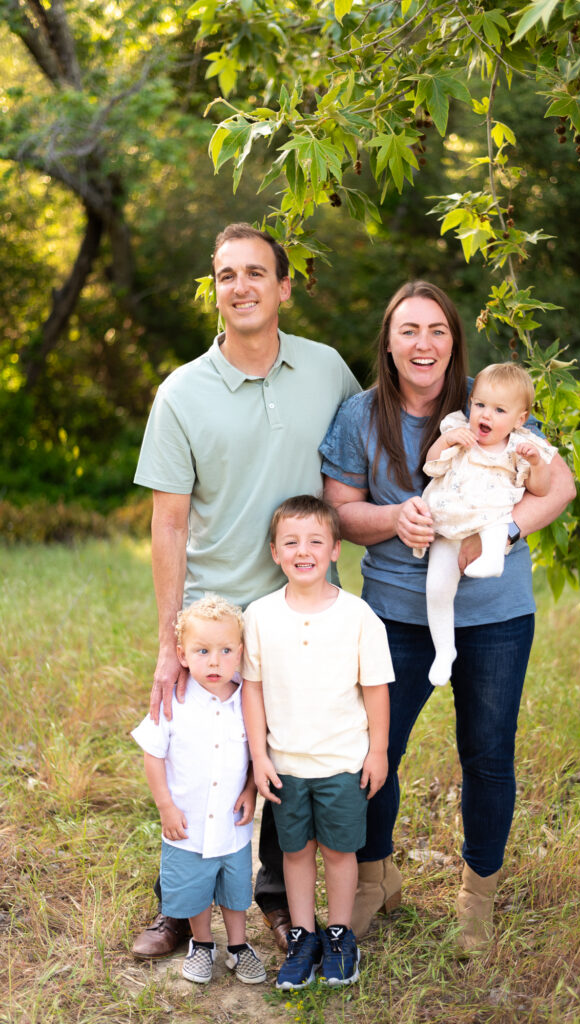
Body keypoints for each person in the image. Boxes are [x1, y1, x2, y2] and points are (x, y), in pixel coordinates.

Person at [320, 281, 575, 951]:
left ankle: (476, 897)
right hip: (393, 614)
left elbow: (561, 484)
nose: (423, 343)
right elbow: (340, 511)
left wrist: (496, 538)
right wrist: (391, 517)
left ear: (454, 342)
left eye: (437, 330)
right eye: (409, 330)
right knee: (371, 752)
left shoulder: (488, 404)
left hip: (495, 616)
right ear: (389, 342)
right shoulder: (359, 416)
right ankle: (376, 880)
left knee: (488, 757)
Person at [131, 223, 360, 959]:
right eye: (227, 275)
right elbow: (167, 526)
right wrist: (172, 643)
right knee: (204, 761)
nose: (243, 286)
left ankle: (264, 895)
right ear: (215, 291)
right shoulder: (181, 393)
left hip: (301, 608)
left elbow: (365, 455)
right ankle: (179, 903)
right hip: (218, 620)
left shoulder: (327, 370)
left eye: (257, 273)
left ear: (284, 287)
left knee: (284, 759)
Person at [241, 496, 393, 989]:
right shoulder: (259, 616)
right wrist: (259, 755)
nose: (302, 550)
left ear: (334, 550)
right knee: (295, 853)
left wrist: (378, 751)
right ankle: (303, 937)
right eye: (291, 542)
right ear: (274, 552)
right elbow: (254, 689)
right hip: (286, 764)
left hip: (343, 762)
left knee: (340, 852)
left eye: (314, 541)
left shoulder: (358, 616)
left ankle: (340, 934)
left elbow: (375, 688)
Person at [131, 595, 266, 986]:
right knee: (194, 889)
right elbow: (153, 754)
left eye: (226, 651)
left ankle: (239, 948)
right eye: (202, 651)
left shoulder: (247, 699)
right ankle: (202, 944)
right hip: (186, 823)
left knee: (235, 889)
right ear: (182, 654)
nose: (214, 661)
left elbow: (258, 750)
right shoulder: (174, 700)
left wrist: (251, 789)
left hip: (231, 825)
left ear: (240, 653)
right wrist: (165, 807)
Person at [415, 362, 557, 686]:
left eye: (498, 409)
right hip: (448, 528)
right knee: (436, 588)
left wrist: (535, 463)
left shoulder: (521, 446)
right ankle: (444, 650)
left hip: (489, 523)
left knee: (498, 521)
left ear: (520, 419)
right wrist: (449, 440)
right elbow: (430, 466)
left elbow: (541, 489)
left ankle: (492, 560)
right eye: (479, 404)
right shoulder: (458, 430)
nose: (485, 415)